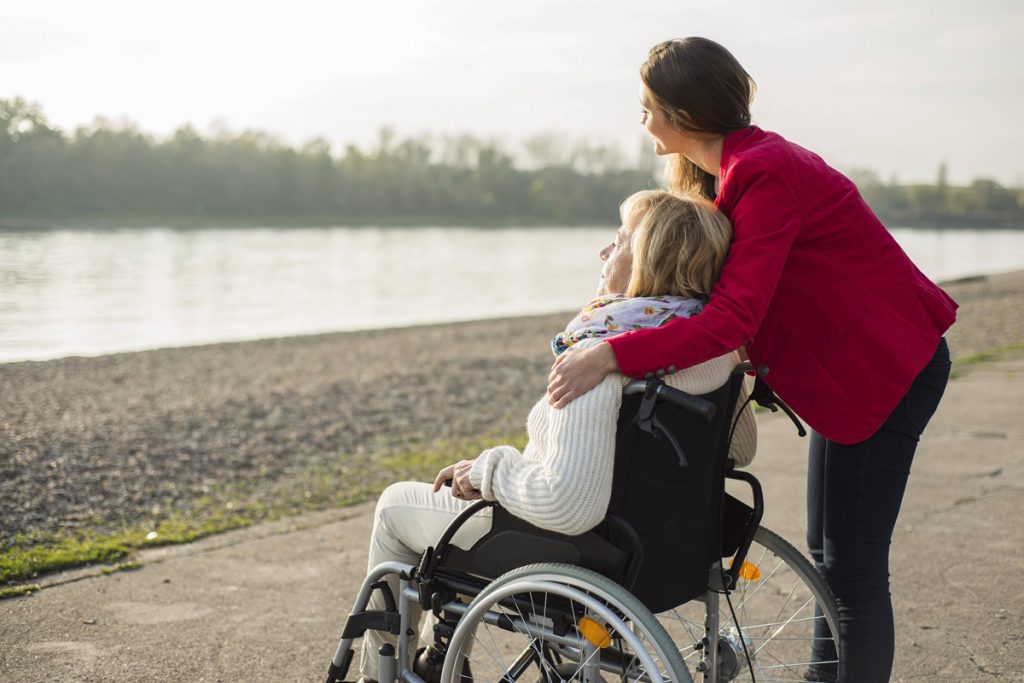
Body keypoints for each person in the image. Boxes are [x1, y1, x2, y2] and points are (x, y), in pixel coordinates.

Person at [546, 37, 957, 682]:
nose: (641, 117)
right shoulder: (734, 172)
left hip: (888, 368)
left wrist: (611, 355)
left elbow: (733, 319)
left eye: (646, 104)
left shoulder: (763, 172)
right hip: (853, 372)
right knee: (834, 562)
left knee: (852, 571)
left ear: (681, 113)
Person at [355, 189, 757, 682]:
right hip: (666, 551)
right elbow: (739, 449)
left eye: (618, 241)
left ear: (649, 260)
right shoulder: (711, 350)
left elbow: (569, 504)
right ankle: (443, 654)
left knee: (396, 506)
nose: (604, 252)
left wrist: (489, 470)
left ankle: (380, 674)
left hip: (578, 548)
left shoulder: (600, 358)